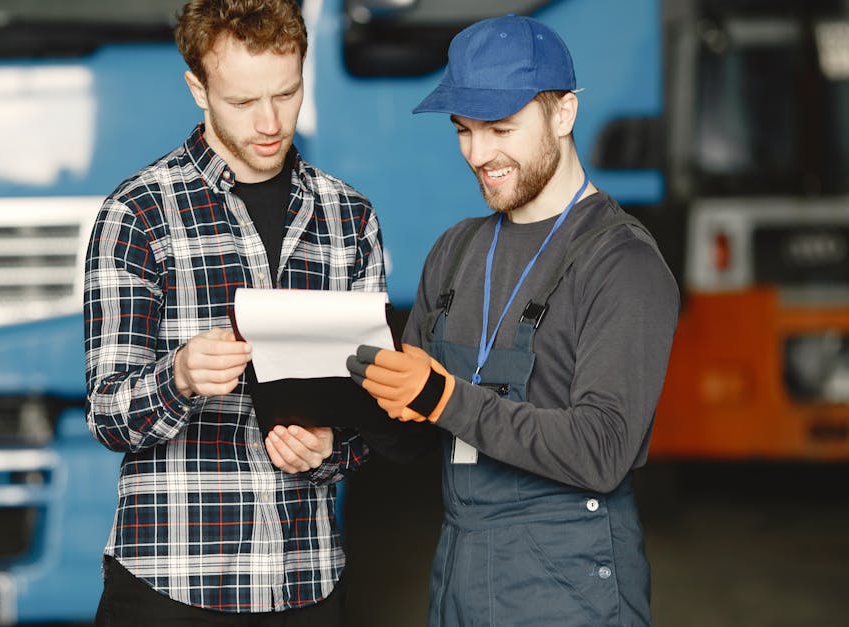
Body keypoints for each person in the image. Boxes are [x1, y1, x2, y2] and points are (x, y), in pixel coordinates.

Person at [346, 14, 679, 626]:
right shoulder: (455, 251)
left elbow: (601, 451)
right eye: (464, 131)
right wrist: (337, 416)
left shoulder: (621, 263)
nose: (479, 154)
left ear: (564, 114)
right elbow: (416, 433)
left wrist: (443, 396)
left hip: (570, 589)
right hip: (461, 577)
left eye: (501, 128)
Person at [83, 0, 386, 624]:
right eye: (243, 103)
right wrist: (181, 377)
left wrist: (331, 447)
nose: (270, 122)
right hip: (170, 585)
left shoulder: (349, 218)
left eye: (287, 93)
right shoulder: (137, 214)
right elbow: (107, 415)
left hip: (307, 582)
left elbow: (378, 408)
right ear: (198, 88)